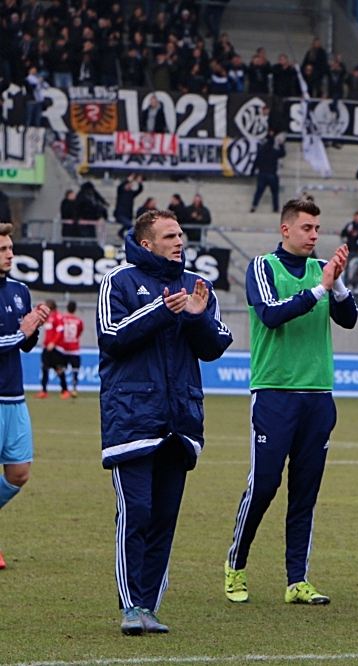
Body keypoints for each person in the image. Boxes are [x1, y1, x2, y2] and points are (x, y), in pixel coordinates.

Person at [99, 209, 232, 635]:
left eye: (181, 234)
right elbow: (112, 336)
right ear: (146, 243)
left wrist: (194, 315)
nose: (179, 241)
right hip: (133, 418)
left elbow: (216, 346)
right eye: (169, 235)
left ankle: (149, 607)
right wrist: (160, 310)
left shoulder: (198, 285)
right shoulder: (117, 281)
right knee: (135, 512)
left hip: (180, 420)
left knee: (163, 519)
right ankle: (129, 605)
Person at [225, 199, 357, 606]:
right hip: (274, 392)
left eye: (317, 229)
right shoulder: (262, 267)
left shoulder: (323, 271)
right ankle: (236, 565)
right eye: (306, 228)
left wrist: (336, 283)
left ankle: (297, 579)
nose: (314, 236)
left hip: (318, 395)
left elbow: (349, 318)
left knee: (305, 491)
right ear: (285, 229)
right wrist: (320, 287)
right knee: (264, 486)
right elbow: (270, 314)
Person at [0, 222, 50, 570]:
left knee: (19, 474)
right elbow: (15, 338)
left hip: (15, 398)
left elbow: (25, 345)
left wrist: (35, 326)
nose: (10, 254)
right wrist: (22, 332)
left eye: (10, 248)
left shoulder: (19, 290)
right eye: (3, 249)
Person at [35, 299, 67, 399]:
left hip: (56, 347)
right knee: (45, 368)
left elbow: (60, 331)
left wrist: (53, 343)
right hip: (47, 346)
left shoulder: (58, 316)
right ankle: (44, 391)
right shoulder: (49, 318)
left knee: (59, 369)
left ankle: (64, 390)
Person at [250, 131, 285, 214]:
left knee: (258, 192)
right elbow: (283, 153)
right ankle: (276, 208)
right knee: (275, 193)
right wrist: (281, 145)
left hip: (262, 174)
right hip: (272, 174)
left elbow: (256, 162)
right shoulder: (274, 151)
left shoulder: (261, 151)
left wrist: (252, 172)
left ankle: (254, 206)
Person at [57, 300, 83, 397]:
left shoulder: (62, 319)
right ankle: (74, 389)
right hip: (75, 349)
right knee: (75, 370)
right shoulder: (79, 321)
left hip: (64, 349)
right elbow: (79, 333)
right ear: (75, 309)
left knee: (61, 369)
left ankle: (64, 390)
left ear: (67, 308)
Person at [114, 174, 144, 240]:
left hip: (128, 215)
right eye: (129, 184)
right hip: (120, 214)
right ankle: (120, 233)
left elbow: (139, 190)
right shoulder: (121, 192)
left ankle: (126, 236)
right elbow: (120, 187)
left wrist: (139, 182)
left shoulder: (131, 193)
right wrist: (128, 180)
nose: (130, 185)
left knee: (131, 227)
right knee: (129, 225)